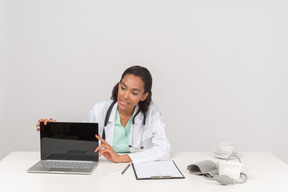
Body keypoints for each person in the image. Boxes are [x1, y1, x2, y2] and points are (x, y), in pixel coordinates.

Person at [36, 66, 170, 163]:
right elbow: (82, 140)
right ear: (118, 85)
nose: (125, 96)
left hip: (137, 168)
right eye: (123, 88)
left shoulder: (152, 112)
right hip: (105, 169)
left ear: (143, 96)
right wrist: (55, 130)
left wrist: (121, 158)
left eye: (134, 93)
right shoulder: (99, 109)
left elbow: (164, 149)